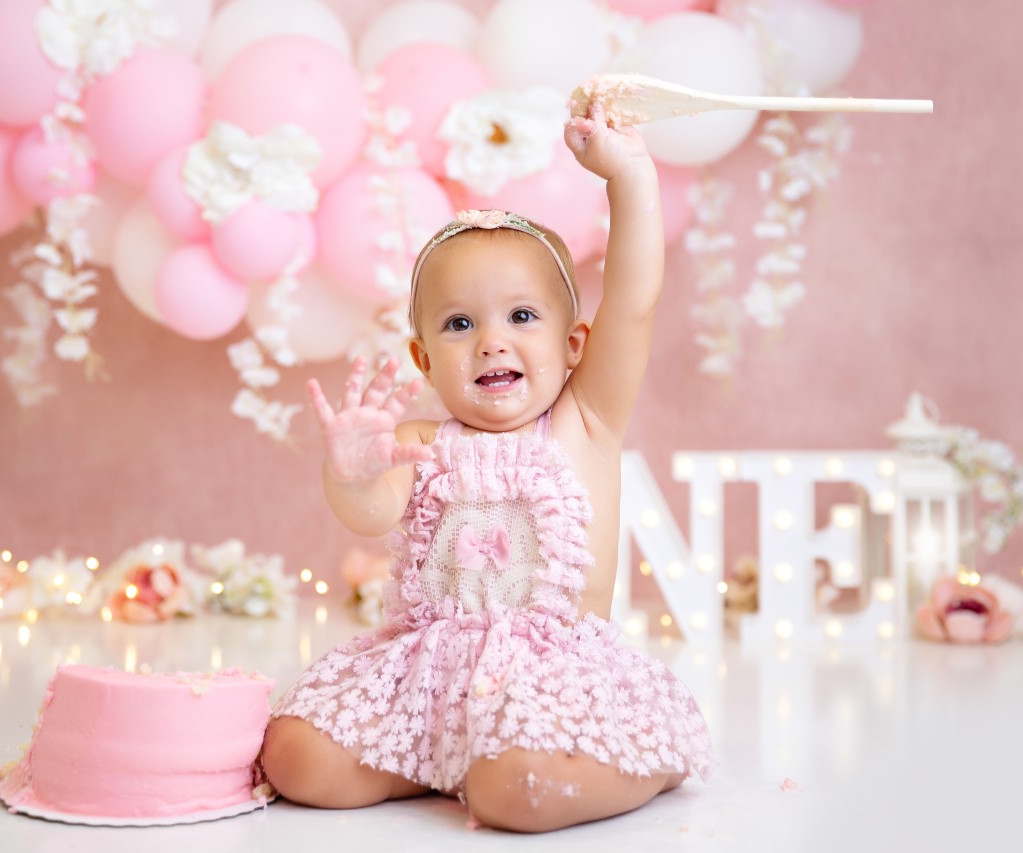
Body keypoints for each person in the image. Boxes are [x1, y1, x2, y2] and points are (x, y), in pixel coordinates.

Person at [261, 102, 714, 833]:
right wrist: (350, 472)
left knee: (518, 789)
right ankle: (446, 757)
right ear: (423, 357)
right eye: (460, 323)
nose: (491, 343)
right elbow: (371, 510)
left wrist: (627, 176)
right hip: (429, 679)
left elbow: (633, 300)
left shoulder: (585, 421)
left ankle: (643, 754)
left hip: (550, 684)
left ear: (574, 344)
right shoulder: (418, 437)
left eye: (522, 317)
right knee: (294, 758)